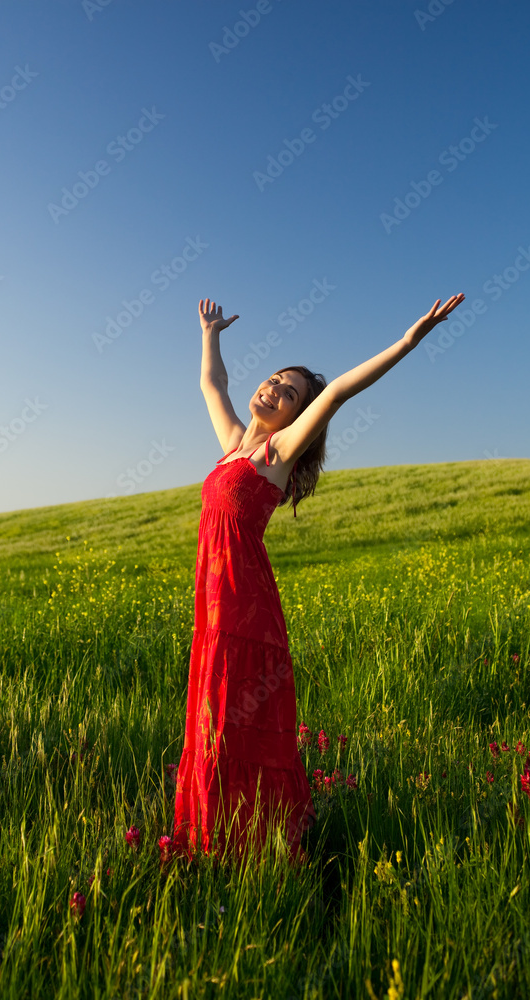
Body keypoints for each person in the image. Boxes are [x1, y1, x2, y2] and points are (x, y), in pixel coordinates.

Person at [172, 293, 465, 865]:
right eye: (274, 379)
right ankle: (213, 837)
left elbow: (337, 392)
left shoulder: (277, 454)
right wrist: (210, 335)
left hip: (246, 607)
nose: (274, 389)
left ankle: (254, 844)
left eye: (289, 393)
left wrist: (408, 342)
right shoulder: (233, 446)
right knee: (212, 717)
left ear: (294, 417)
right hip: (214, 607)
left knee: (236, 721)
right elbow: (212, 383)